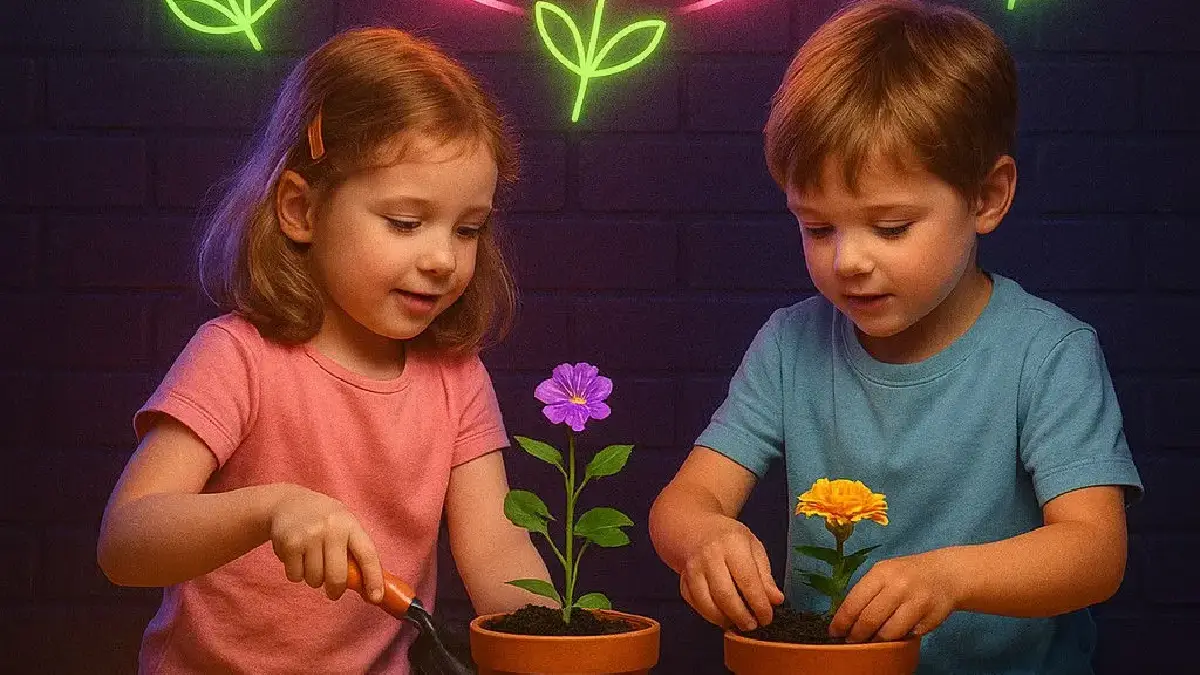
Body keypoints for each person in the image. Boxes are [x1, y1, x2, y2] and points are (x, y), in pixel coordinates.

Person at [648, 2, 1142, 673]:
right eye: (818, 228)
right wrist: (704, 537)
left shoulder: (1048, 355)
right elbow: (682, 503)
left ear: (987, 197)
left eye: (890, 228)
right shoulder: (790, 345)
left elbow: (1095, 551)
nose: (848, 260)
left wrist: (949, 578)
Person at [97, 27, 551, 673]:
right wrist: (270, 509)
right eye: (405, 223)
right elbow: (125, 542)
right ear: (300, 210)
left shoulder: (458, 378)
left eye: (468, 229)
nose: (443, 259)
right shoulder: (237, 358)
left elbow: (497, 547)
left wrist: (560, 642)